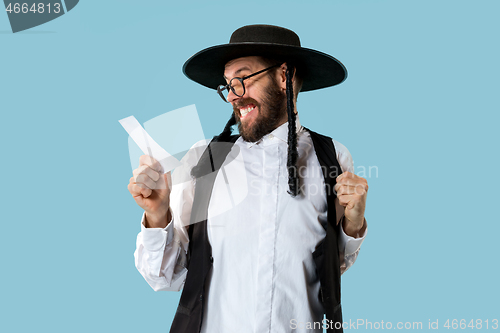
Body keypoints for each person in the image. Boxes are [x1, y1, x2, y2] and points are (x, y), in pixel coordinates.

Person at [128, 24, 368, 333]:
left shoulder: (332, 157)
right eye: (227, 85)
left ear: (285, 77)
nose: (232, 96)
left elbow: (331, 270)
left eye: (242, 79)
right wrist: (158, 215)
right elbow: (165, 278)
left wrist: (353, 223)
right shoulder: (204, 162)